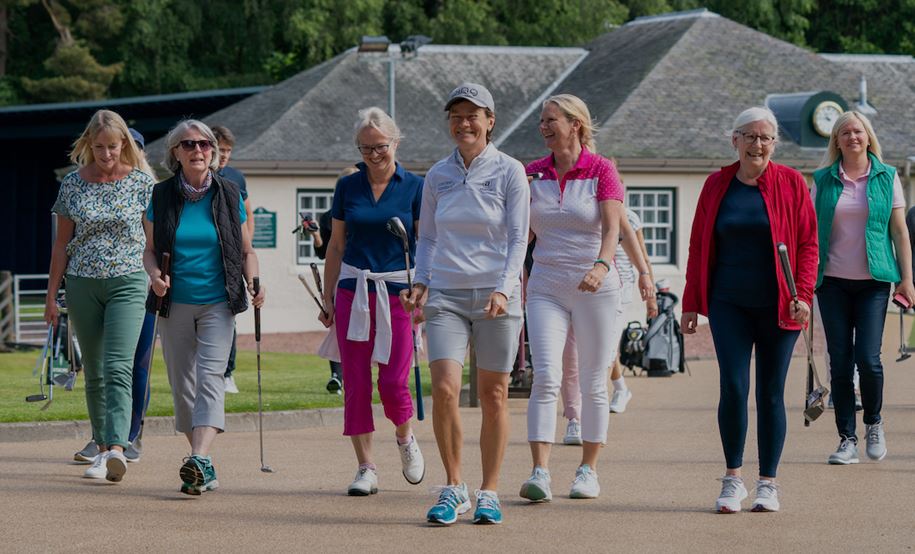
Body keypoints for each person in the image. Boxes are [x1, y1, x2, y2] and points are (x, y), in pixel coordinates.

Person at [401, 83, 529, 525]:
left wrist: (504, 288)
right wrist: (421, 282)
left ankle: (489, 491)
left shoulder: (511, 171)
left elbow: (518, 239)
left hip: (497, 297)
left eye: (473, 115)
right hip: (447, 296)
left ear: (490, 121)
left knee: (494, 394)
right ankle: (454, 487)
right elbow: (429, 239)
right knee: (445, 390)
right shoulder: (437, 175)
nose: (464, 123)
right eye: (456, 116)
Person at [681, 107, 817, 513]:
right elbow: (698, 247)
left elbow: (809, 245)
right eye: (750, 136)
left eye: (765, 138)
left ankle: (768, 483)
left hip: (780, 304)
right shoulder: (716, 185)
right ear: (734, 141)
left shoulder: (792, 183)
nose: (758, 145)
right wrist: (691, 302)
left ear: (774, 143)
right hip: (729, 302)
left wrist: (805, 295)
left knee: (771, 392)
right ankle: (733, 479)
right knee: (734, 387)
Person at [143, 119, 265, 495]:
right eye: (189, 145)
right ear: (175, 154)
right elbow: (149, 250)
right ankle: (203, 465)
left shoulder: (229, 194)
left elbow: (247, 250)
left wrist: (254, 282)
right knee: (183, 386)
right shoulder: (161, 196)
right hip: (174, 301)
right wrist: (154, 276)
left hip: (218, 300)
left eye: (205, 145)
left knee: (211, 377)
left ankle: (198, 457)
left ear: (213, 152)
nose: (198, 151)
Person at [518, 94, 624, 503]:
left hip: (595, 287)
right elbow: (522, 233)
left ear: (575, 124)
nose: (543, 127)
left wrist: (601, 265)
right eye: (541, 121)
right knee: (546, 376)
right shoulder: (532, 173)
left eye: (550, 120)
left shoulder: (601, 170)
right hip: (545, 285)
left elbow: (613, 229)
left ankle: (587, 470)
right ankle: (539, 471)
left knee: (594, 381)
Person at [318, 108, 425, 497]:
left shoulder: (415, 186)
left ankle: (404, 436)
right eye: (365, 148)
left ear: (395, 143)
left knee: (394, 381)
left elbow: (425, 244)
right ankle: (365, 466)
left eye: (379, 146)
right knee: (356, 382)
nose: (373, 154)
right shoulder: (348, 187)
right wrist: (329, 295)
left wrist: (423, 290)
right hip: (354, 288)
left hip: (398, 291)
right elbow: (336, 243)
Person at [45, 109, 155, 482]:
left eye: (112, 146)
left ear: (124, 143)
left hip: (129, 280)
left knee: (118, 365)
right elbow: (61, 245)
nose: (107, 154)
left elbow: (153, 241)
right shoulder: (74, 184)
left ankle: (117, 450)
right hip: (82, 282)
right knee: (93, 369)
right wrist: (50, 296)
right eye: (99, 147)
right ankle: (101, 446)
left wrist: (158, 276)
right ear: (88, 145)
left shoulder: (141, 183)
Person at [812, 111, 915, 465]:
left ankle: (873, 422)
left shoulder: (887, 177)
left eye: (857, 131)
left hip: (874, 281)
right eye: (845, 133)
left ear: (868, 137)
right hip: (832, 283)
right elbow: (810, 233)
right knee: (839, 363)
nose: (852, 137)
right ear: (836, 141)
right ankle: (846, 439)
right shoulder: (823, 180)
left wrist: (907, 278)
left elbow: (900, 232)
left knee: (868, 360)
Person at [559, 208, 657, 445]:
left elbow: (642, 254)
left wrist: (650, 292)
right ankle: (578, 417)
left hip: (617, 288)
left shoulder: (627, 216)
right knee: (573, 354)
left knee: (605, 352)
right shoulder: (578, 207)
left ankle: (613, 396)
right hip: (575, 284)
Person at [211, 125, 253, 395]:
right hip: (202, 255)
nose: (224, 155)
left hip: (231, 257)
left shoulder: (236, 178)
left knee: (229, 316)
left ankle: (227, 372)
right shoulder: (194, 172)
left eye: (228, 150)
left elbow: (247, 215)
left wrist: (245, 249)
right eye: (220, 149)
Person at [313, 167, 357, 394]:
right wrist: (315, 235)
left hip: (362, 274)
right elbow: (324, 252)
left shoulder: (365, 212)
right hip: (339, 275)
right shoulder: (329, 216)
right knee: (338, 326)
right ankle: (337, 376)